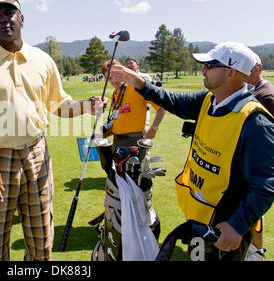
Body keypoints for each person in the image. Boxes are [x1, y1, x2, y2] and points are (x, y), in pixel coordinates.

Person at [0, 0, 107, 261]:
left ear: (21, 19)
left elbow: (59, 105)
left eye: (10, 13)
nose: (4, 19)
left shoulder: (42, 60)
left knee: (41, 239)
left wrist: (86, 106)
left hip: (37, 154)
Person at [110, 41, 274, 261]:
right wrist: (140, 84)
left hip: (224, 227)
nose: (203, 69)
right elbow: (173, 101)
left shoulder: (256, 123)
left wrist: (237, 225)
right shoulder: (209, 99)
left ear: (229, 73)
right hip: (199, 217)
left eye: (210, 65)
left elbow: (266, 184)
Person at [100, 59, 166, 240]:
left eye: (113, 77)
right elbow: (114, 121)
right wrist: (103, 133)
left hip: (135, 142)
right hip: (117, 142)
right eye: (108, 79)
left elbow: (161, 108)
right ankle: (124, 222)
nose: (112, 81)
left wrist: (153, 129)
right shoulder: (116, 94)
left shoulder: (136, 87)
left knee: (138, 186)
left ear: (121, 72)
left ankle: (142, 225)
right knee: (120, 185)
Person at [244, 53, 274, 261]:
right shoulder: (254, 90)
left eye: (248, 69)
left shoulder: (265, 95)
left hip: (258, 161)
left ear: (258, 68)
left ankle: (256, 253)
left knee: (254, 211)